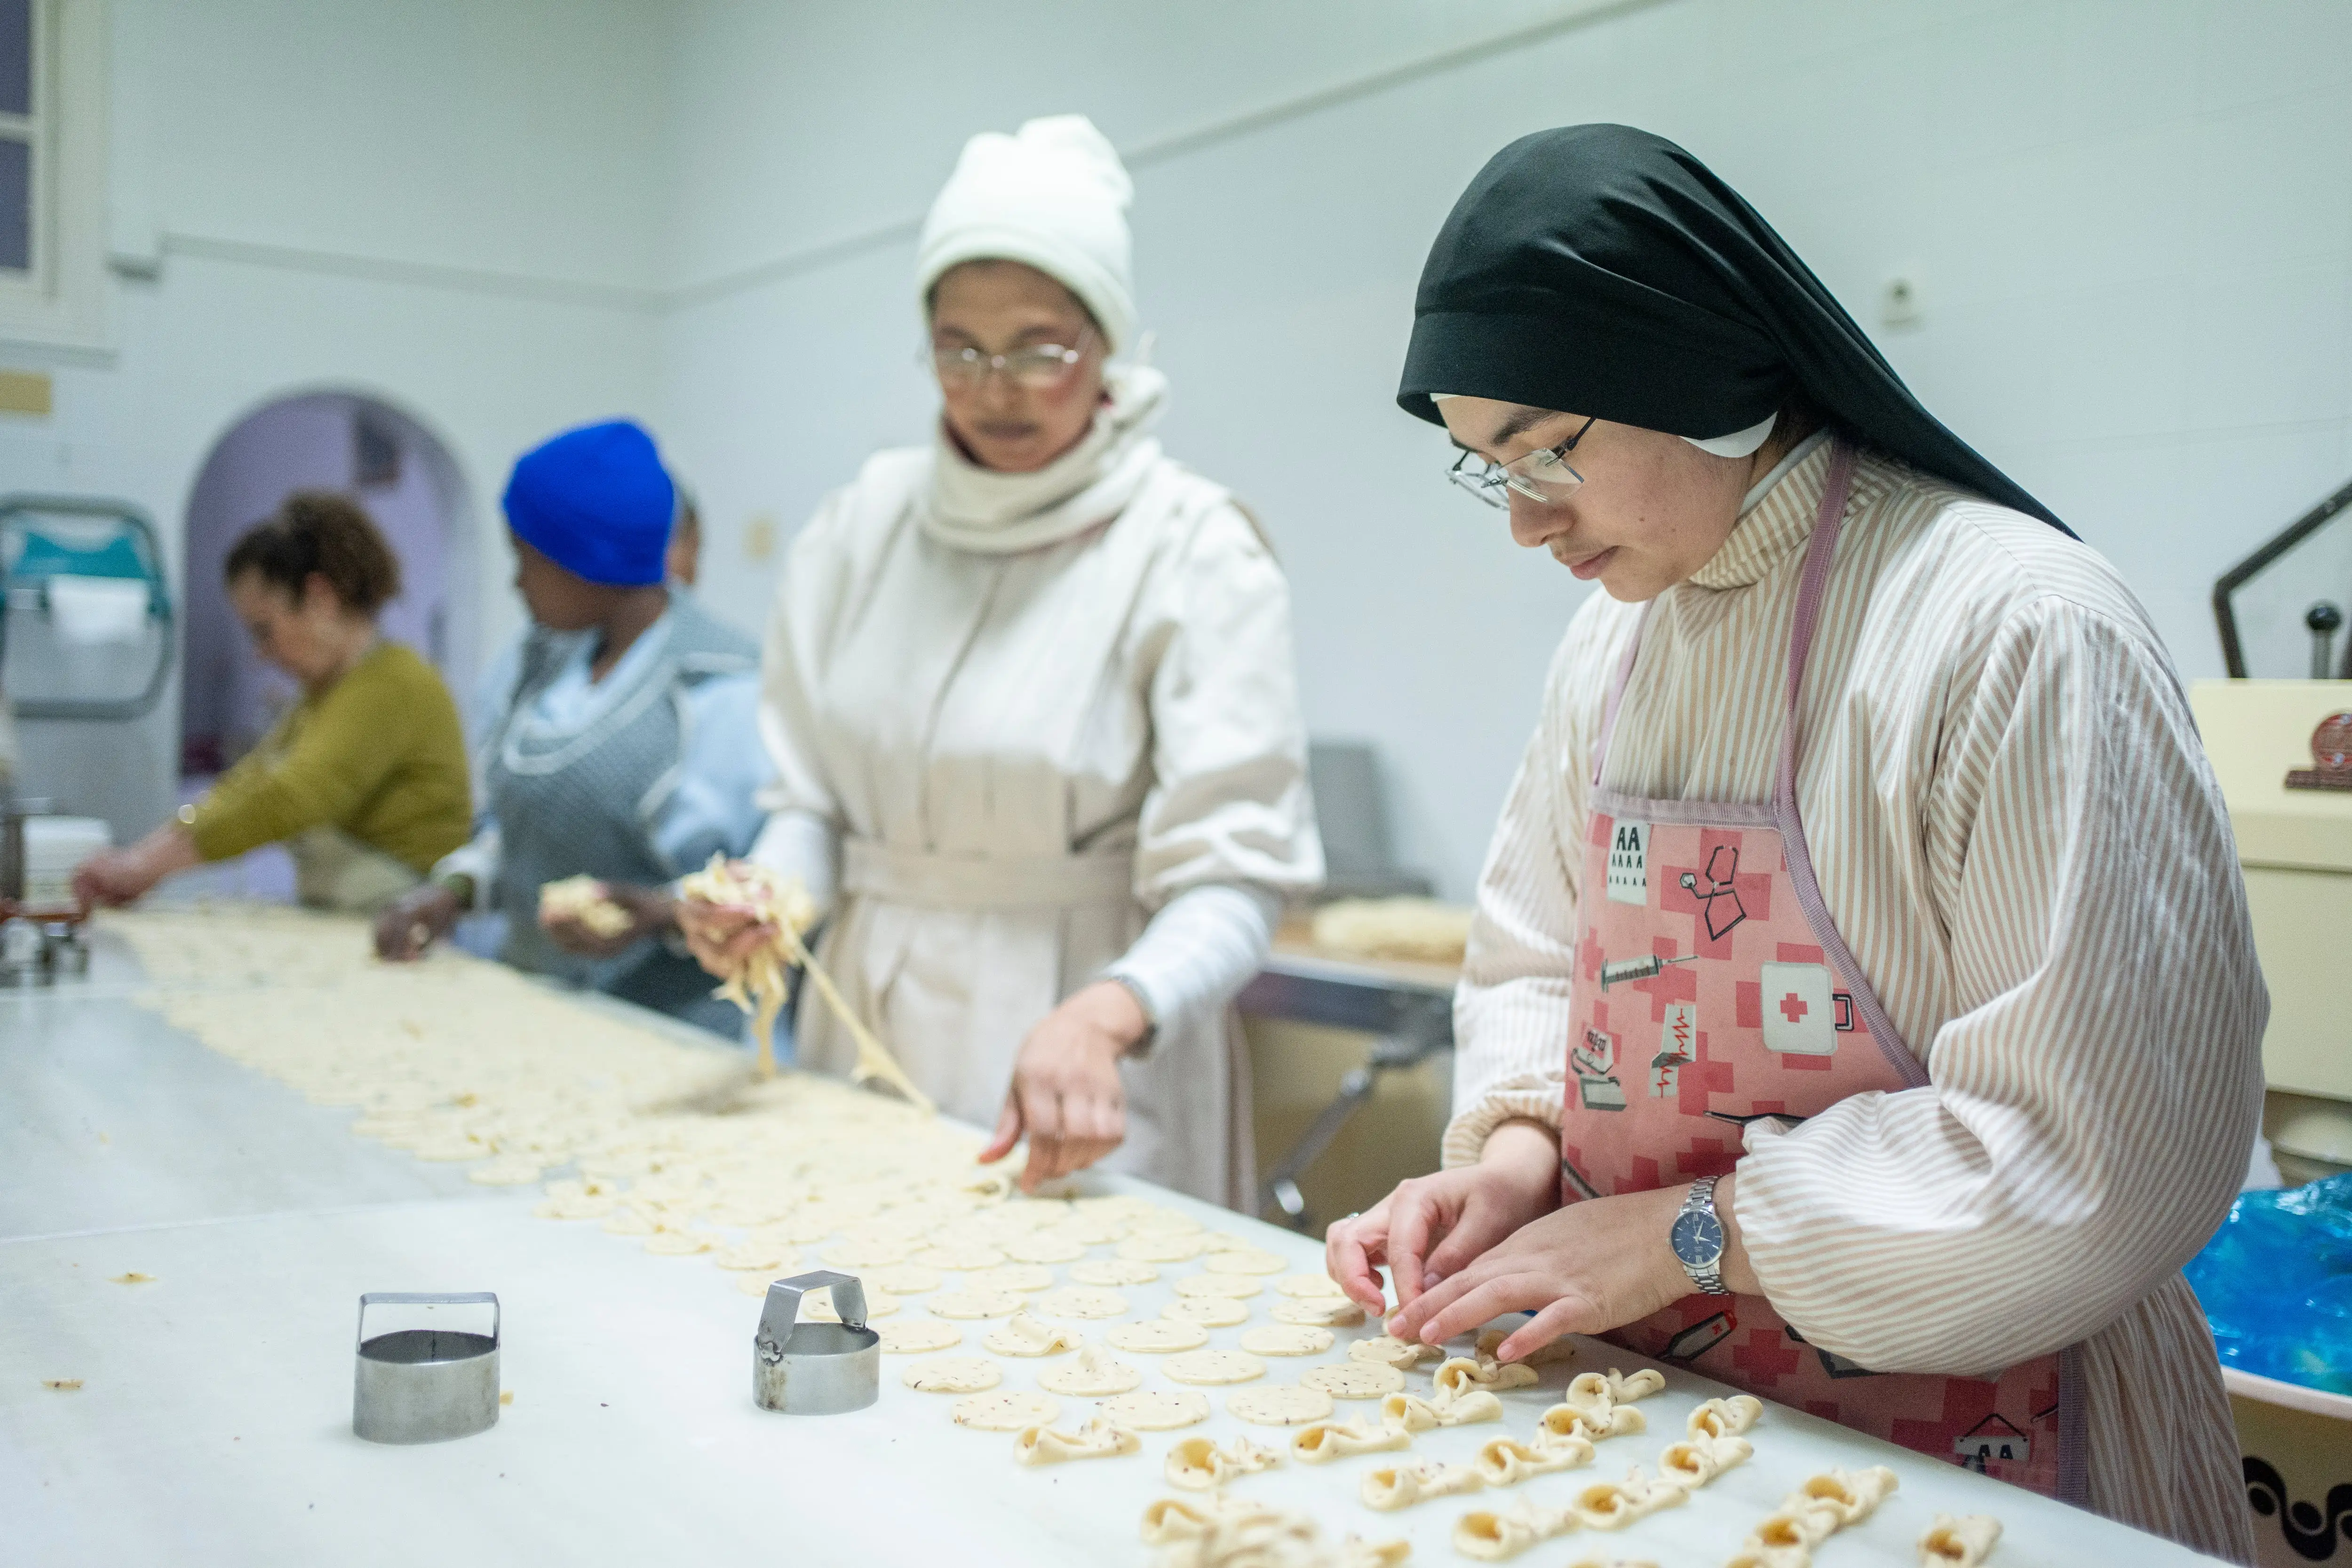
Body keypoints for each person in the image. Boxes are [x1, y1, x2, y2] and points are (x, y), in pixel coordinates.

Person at [1324, 126, 2260, 1561]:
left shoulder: (2013, 629)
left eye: (1544, 453)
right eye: (1481, 468)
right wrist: (1515, 1150)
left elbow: (2089, 1153)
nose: (1521, 524)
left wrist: (1680, 1235)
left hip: (2005, 1440)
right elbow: (1529, 956)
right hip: (1688, 1420)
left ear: (1681, 371)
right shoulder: (1611, 645)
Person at [680, 115, 1322, 1205]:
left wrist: (1111, 1009)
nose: (996, 388)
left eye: (1040, 348)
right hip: (872, 1018)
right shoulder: (862, 527)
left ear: (1109, 342)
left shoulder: (1189, 545)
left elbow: (1234, 878)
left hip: (1087, 1051)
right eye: (961, 350)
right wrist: (768, 897)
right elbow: (814, 807)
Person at [374, 420, 772, 1039]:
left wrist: (659, 914)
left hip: (662, 1029)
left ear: (591, 563)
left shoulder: (719, 686)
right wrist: (455, 891)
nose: (516, 582)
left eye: (529, 560)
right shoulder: (546, 660)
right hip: (538, 1005)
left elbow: (762, 876)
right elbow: (520, 828)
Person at [73, 492, 469, 913]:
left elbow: (288, 796)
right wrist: (137, 859)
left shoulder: (393, 684)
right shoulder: (325, 692)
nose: (260, 653)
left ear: (320, 597)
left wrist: (141, 867)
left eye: (264, 630)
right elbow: (252, 780)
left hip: (404, 915)